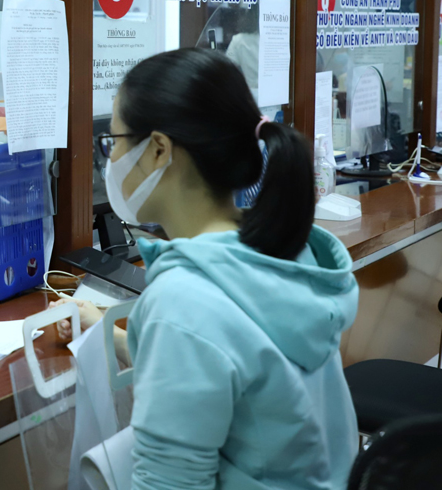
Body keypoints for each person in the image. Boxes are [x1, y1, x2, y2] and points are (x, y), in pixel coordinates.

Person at [51, 49, 359, 489]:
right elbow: (217, 366)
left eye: (114, 142)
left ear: (158, 149)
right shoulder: (279, 248)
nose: (111, 158)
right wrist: (103, 329)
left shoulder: (185, 300)